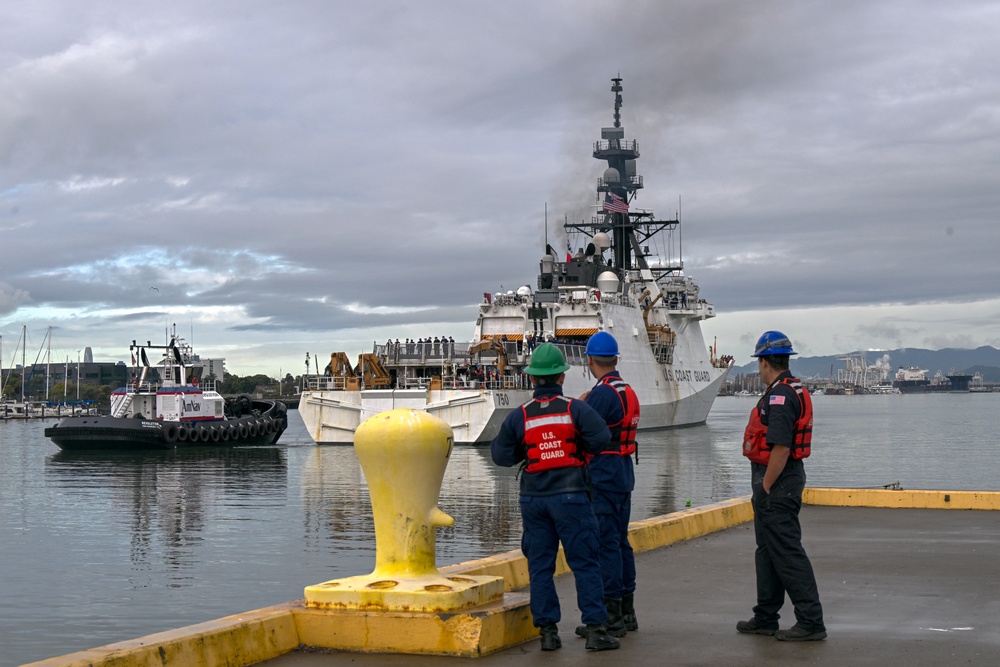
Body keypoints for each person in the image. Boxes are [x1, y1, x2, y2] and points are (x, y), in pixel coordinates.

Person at [491, 343, 621, 652]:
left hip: (534, 500)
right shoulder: (575, 408)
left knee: (539, 567)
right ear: (561, 377)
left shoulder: (519, 416)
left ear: (533, 379)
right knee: (586, 563)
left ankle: (548, 633)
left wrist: (529, 450)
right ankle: (595, 630)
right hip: (572, 497)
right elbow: (602, 438)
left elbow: (500, 455)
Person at [737, 331, 826, 641]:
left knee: (786, 552)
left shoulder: (780, 396)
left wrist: (765, 487)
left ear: (764, 362)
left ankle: (811, 621)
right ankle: (765, 616)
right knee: (768, 551)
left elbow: (781, 448)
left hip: (778, 481)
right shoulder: (791, 389)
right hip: (781, 479)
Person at [574, 331, 639, 640]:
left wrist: (581, 404)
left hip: (603, 474)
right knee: (621, 541)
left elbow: (581, 432)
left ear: (590, 361)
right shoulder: (626, 389)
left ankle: (610, 616)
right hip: (623, 471)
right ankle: (627, 611)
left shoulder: (601, 394)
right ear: (615, 359)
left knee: (606, 543)